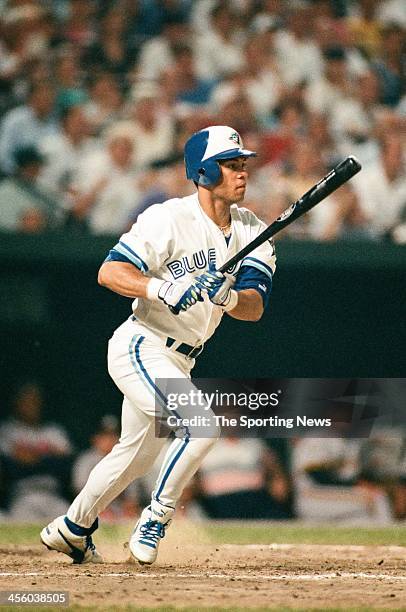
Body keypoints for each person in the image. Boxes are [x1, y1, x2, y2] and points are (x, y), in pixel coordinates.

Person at [40, 125, 276, 565]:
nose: (243, 174)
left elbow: (255, 308)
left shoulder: (254, 232)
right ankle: (156, 517)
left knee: (136, 453)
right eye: (231, 165)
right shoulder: (168, 218)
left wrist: (226, 296)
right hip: (141, 343)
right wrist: (160, 289)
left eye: (244, 165)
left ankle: (73, 528)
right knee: (201, 426)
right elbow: (110, 272)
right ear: (204, 172)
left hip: (182, 358)